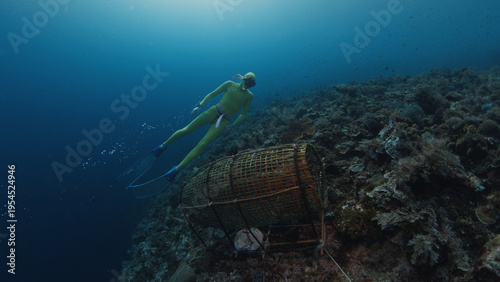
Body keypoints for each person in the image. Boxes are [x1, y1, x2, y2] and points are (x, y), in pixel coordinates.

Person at [156, 72, 256, 181]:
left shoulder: (249, 96)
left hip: (224, 121)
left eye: (251, 84)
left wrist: (232, 126)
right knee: (187, 130)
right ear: (243, 79)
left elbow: (243, 114)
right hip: (213, 111)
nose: (248, 85)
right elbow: (213, 94)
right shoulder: (230, 84)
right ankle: (162, 146)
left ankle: (177, 169)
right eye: (248, 82)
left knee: (203, 143)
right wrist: (199, 106)